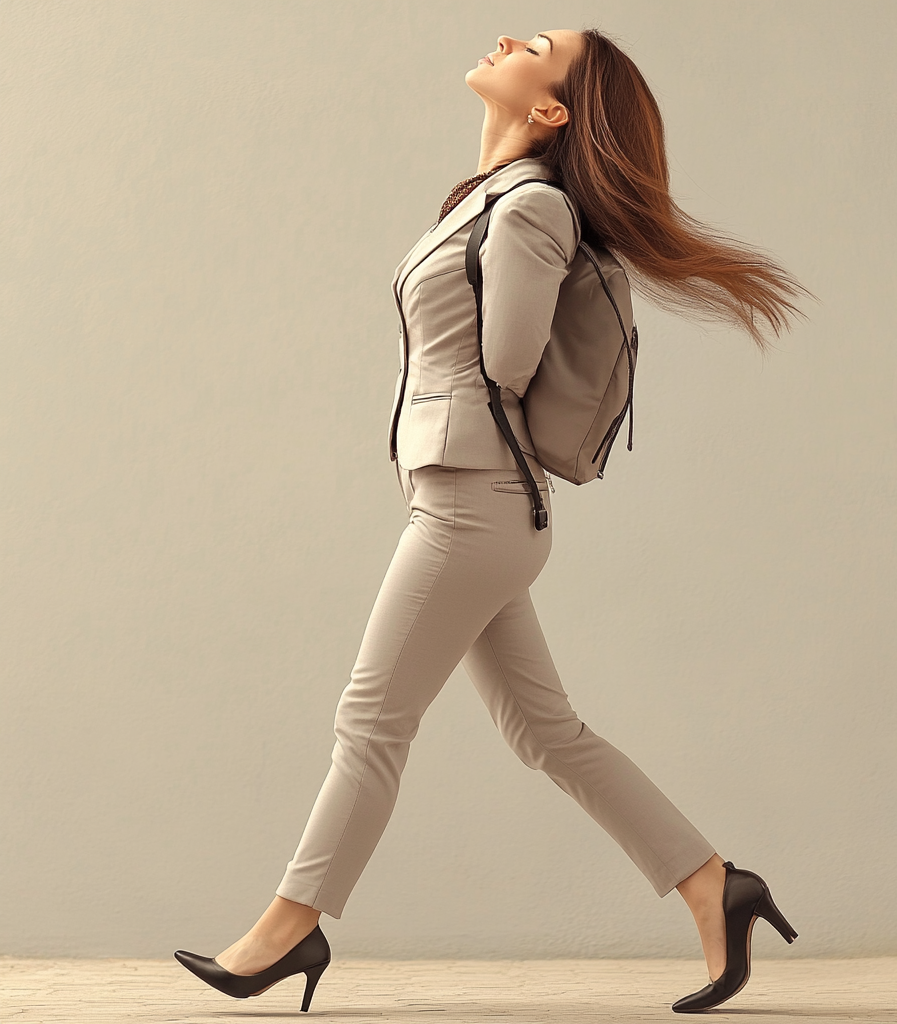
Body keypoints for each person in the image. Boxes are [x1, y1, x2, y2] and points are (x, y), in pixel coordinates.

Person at [174, 26, 814, 1015]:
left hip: (475, 500)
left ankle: (286, 929)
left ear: (549, 109)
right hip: (467, 496)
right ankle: (712, 884)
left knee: (371, 719)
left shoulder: (530, 208)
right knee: (546, 732)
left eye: (539, 44)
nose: (512, 34)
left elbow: (507, 359)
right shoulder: (482, 203)